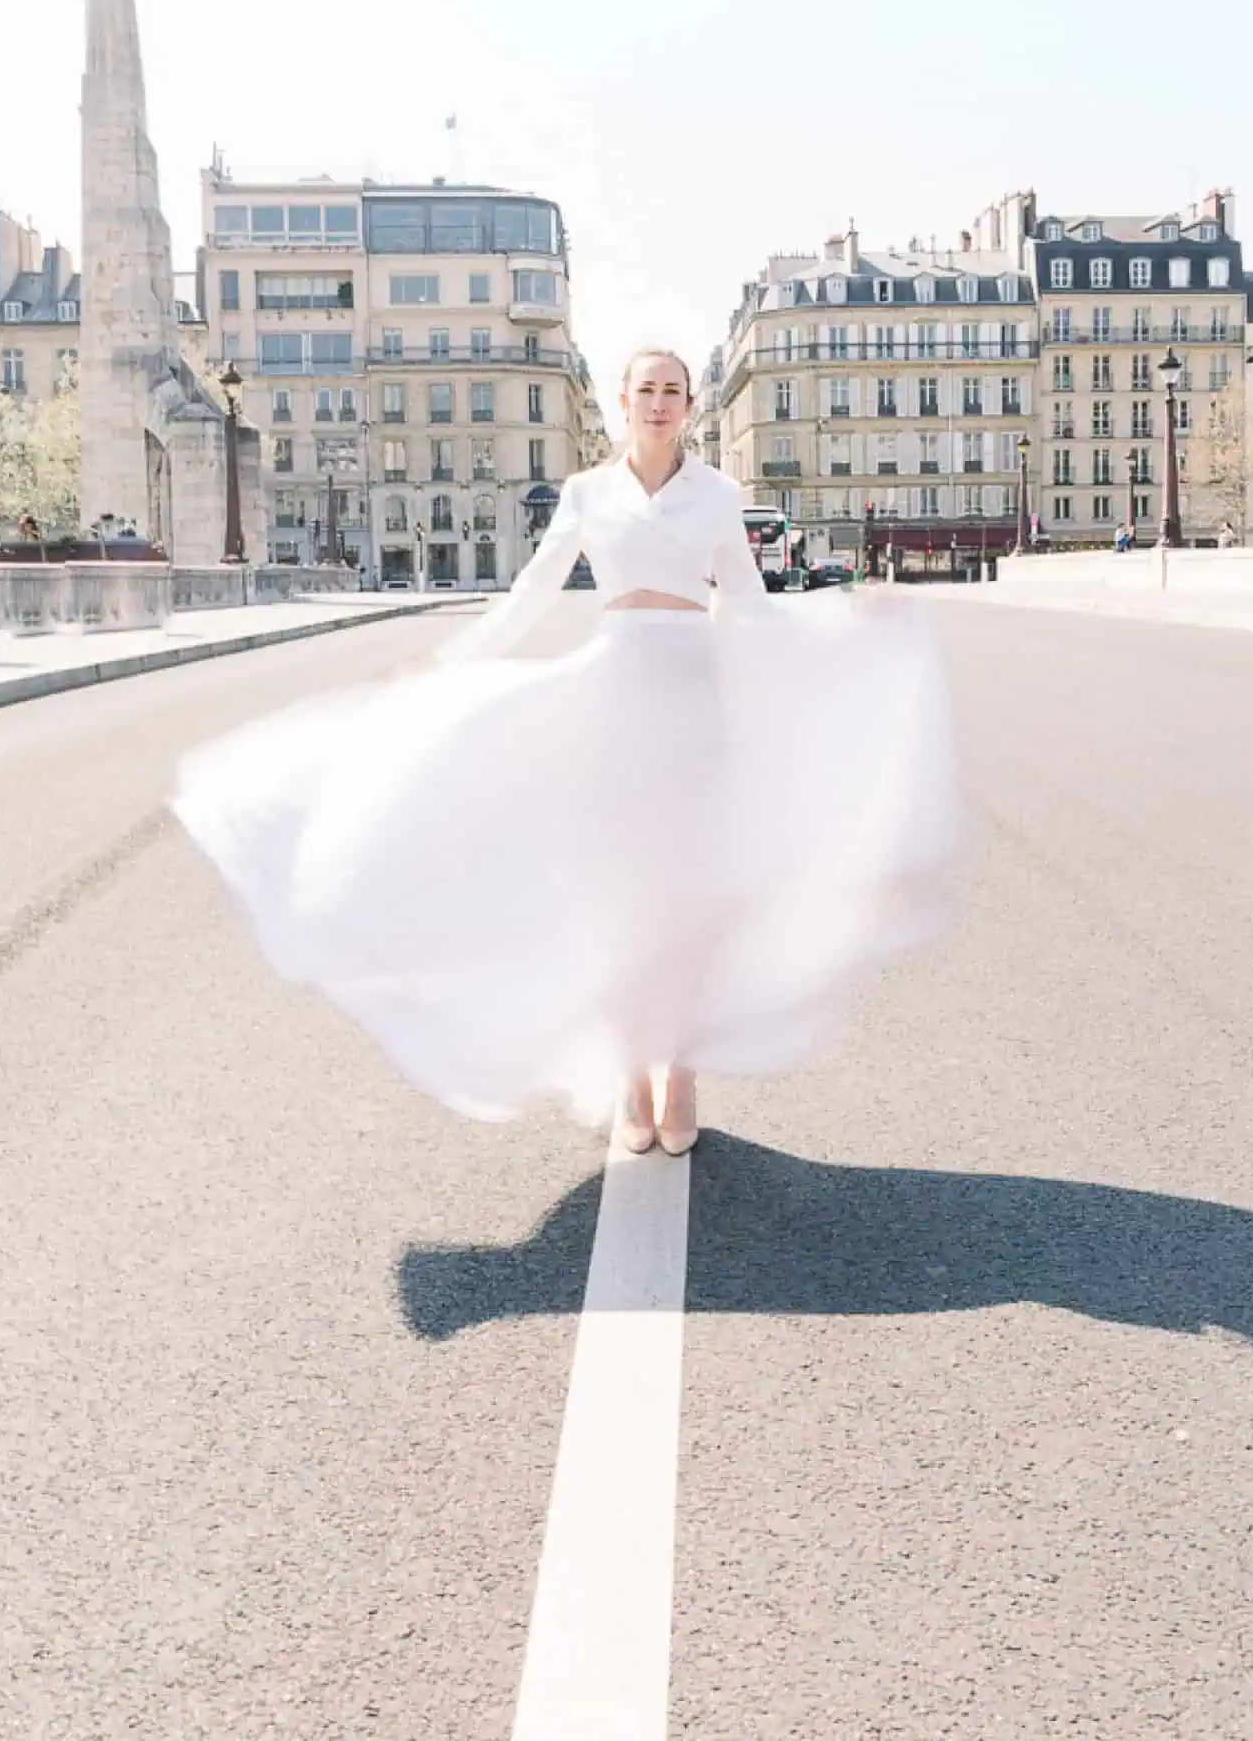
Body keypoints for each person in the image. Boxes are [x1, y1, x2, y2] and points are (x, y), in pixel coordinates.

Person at [173, 350, 952, 1156]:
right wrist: (448, 666)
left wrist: (842, 627)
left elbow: (748, 610)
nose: (658, 403)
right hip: (614, 700)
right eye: (644, 390)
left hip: (694, 710)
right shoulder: (586, 494)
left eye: (672, 392)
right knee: (616, 898)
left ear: (689, 405)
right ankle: (628, 1077)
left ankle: (679, 1070)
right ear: (622, 402)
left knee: (687, 898)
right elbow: (531, 592)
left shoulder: (719, 496)